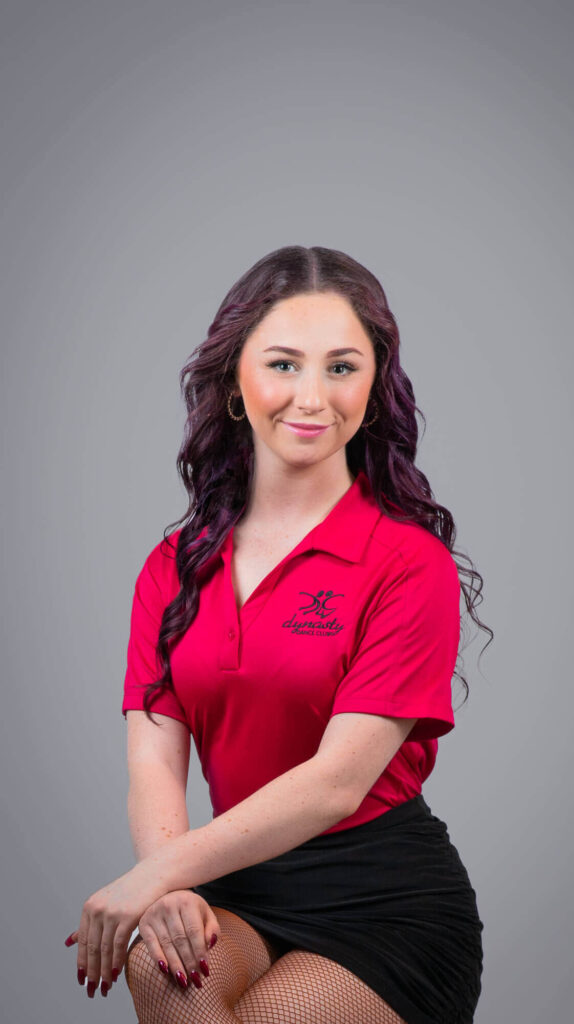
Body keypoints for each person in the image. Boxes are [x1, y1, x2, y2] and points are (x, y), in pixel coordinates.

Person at [64, 245, 492, 1023]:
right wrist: (171, 886)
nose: (312, 396)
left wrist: (144, 882)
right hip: (238, 882)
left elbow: (335, 783)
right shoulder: (172, 567)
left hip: (382, 901)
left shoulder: (405, 561)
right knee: (159, 968)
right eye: (283, 364)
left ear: (374, 383)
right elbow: (154, 759)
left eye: (341, 367)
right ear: (235, 380)